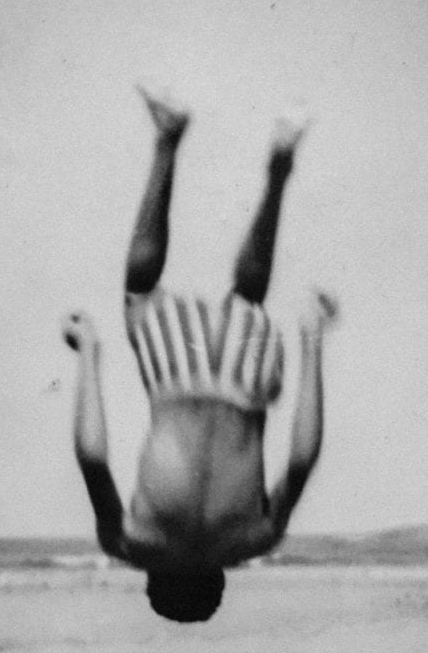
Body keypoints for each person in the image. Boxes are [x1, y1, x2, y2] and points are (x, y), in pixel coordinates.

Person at [62, 87, 337, 622]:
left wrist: (311, 342)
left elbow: (303, 459)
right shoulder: (131, 544)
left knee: (248, 300)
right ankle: (169, 138)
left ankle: (280, 164)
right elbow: (93, 458)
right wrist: (90, 353)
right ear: (150, 583)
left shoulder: (256, 540)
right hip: (176, 379)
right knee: (141, 288)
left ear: (220, 584)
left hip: (246, 383)